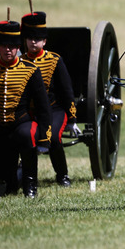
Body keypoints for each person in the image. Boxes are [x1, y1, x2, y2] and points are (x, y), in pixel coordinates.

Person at [0, 20, 52, 198]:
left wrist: (44, 138)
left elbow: (43, 106)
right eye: (4, 46)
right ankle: (17, 177)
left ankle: (30, 184)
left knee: (26, 135)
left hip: (22, 124)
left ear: (18, 47)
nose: (8, 50)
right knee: (7, 186)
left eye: (12, 46)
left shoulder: (30, 70)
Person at [21, 11, 80, 187]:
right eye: (30, 38)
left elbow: (67, 90)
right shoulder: (20, 61)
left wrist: (72, 118)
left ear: (44, 41)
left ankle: (62, 175)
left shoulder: (54, 60)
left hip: (54, 110)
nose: (33, 41)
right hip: (29, 112)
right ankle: (27, 178)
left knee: (53, 138)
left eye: (38, 38)